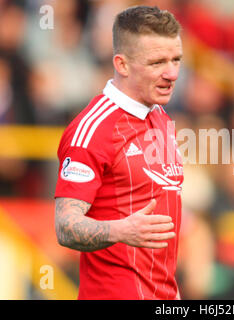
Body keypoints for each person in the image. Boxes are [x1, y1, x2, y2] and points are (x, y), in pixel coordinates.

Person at [54, 5, 184, 300]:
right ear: (122, 64)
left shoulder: (160, 116)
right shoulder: (92, 129)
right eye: (157, 62)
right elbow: (65, 226)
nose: (172, 73)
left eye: (176, 60)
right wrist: (120, 230)